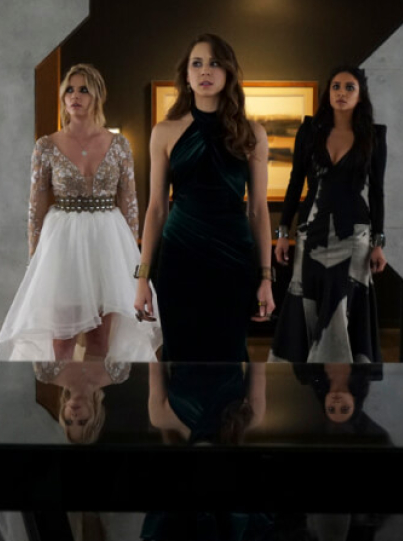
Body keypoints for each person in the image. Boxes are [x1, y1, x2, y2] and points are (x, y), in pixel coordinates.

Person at [0, 64, 161, 362]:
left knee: (100, 343)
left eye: (84, 89)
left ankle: (95, 393)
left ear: (97, 95)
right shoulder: (46, 146)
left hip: (108, 244)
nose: (75, 96)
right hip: (63, 245)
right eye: (69, 89)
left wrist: (131, 263)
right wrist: (35, 261)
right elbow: (35, 207)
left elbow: (130, 205)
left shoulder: (119, 145)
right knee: (61, 343)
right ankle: (63, 394)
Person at [133, 34, 275, 362]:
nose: (205, 71)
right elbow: (156, 209)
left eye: (215, 63)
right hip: (179, 260)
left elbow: (258, 210)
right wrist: (142, 278)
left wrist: (266, 278)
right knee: (179, 357)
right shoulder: (164, 132)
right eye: (197, 63)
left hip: (233, 261)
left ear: (228, 73)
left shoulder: (252, 133)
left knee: (230, 357)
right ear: (186, 75)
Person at [270, 66, 387, 364]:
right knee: (306, 299)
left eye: (349, 87)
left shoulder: (373, 136)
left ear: (361, 95)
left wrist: (378, 243)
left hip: (354, 234)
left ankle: (345, 379)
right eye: (336, 86)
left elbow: (376, 192)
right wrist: (282, 233)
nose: (341, 93)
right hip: (312, 230)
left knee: (345, 303)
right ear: (328, 92)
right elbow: (295, 183)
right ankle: (304, 379)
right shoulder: (310, 131)